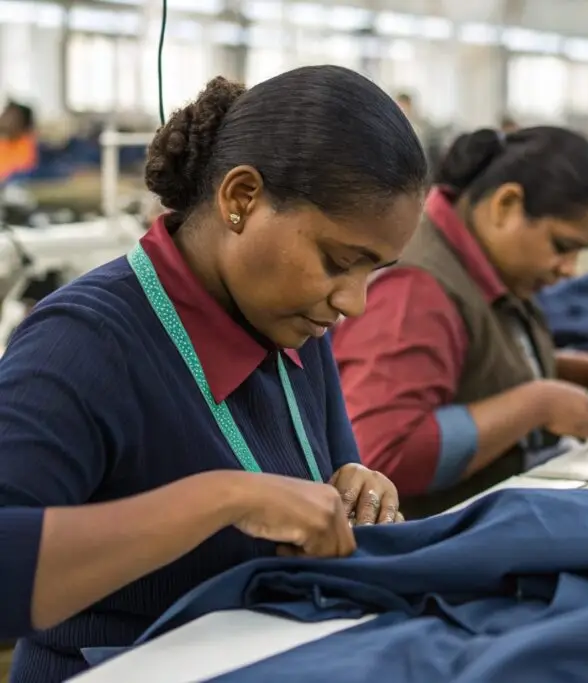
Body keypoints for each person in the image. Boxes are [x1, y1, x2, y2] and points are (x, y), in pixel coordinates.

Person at [0, 65, 427, 683]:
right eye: (338, 262)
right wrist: (220, 498)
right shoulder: (84, 343)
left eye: (373, 273)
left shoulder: (295, 327)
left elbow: (314, 505)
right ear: (241, 198)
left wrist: (351, 490)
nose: (353, 303)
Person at [333, 127, 588, 517]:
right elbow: (383, 453)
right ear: (506, 204)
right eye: (562, 246)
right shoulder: (415, 292)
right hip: (431, 545)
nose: (569, 269)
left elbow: (468, 363)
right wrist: (537, 404)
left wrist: (581, 370)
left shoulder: (484, 269)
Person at [0, 101, 38, 182]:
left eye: (10, 116)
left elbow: (19, 175)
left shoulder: (28, 146)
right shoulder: (4, 143)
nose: (3, 117)